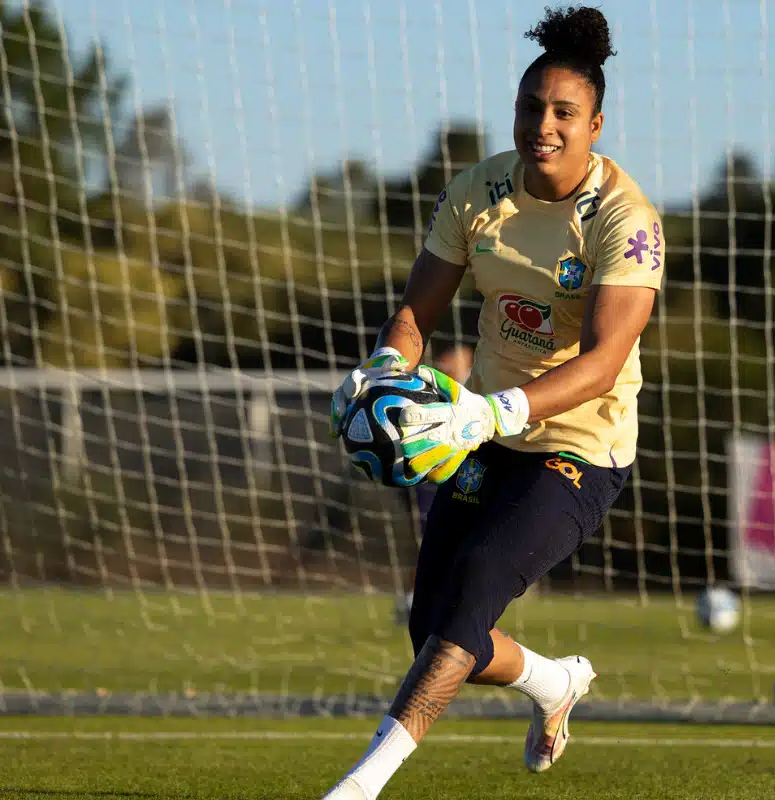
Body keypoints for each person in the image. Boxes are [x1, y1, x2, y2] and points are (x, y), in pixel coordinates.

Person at [323, 6, 663, 798]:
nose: (542, 125)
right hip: (483, 435)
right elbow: (417, 313)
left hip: (578, 447)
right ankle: (553, 683)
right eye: (530, 108)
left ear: (595, 125)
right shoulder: (479, 190)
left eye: (563, 113)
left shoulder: (626, 220)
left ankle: (362, 785)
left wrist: (492, 408)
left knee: (475, 587)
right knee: (434, 629)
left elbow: (606, 362)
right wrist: (382, 369)